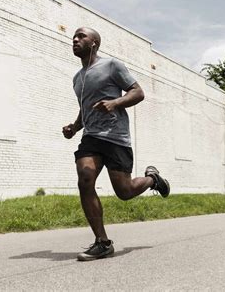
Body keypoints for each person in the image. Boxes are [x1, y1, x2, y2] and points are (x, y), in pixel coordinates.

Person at [62, 27, 170, 261]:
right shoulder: (77, 78)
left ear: (94, 43)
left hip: (116, 137)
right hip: (91, 137)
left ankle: (153, 179)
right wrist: (74, 127)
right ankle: (102, 242)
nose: (75, 39)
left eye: (81, 36)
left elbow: (138, 93)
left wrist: (114, 103)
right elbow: (85, 108)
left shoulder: (112, 65)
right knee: (85, 179)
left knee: (125, 191)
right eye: (74, 36)